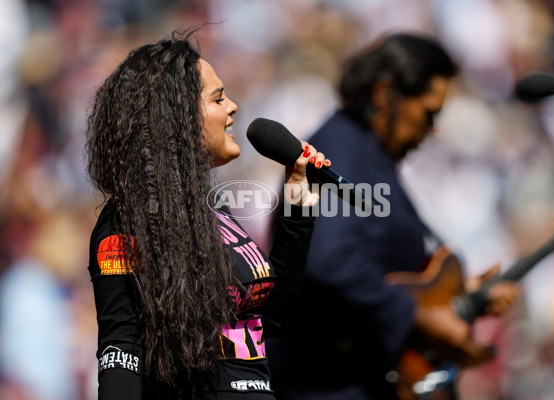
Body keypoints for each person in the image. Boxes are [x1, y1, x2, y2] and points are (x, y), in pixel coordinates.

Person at [267, 33, 520, 400]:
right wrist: (419, 315)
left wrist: (455, 297)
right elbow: (327, 258)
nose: (432, 129)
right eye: (428, 112)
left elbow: (381, 266)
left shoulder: (367, 154)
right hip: (326, 385)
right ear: (386, 93)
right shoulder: (339, 150)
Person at [85, 31, 331, 399]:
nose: (233, 107)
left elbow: (269, 318)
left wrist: (297, 203)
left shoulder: (212, 209)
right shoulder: (123, 222)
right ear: (175, 116)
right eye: (217, 98)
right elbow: (122, 351)